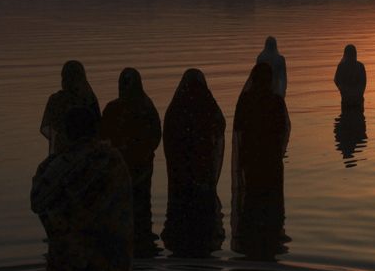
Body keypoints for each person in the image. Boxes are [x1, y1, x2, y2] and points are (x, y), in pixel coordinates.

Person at [30, 105, 133, 271]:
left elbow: (38, 200)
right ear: (96, 129)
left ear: (67, 132)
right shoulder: (114, 158)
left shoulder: (62, 163)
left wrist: (51, 162)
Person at [161, 68, 226, 256]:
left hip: (180, 175)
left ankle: (180, 248)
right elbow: (221, 124)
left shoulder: (176, 106)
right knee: (203, 215)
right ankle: (203, 248)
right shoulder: (207, 104)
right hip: (202, 172)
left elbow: (166, 135)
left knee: (181, 214)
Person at [99, 67, 162, 255]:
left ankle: (124, 250)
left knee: (120, 210)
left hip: (118, 169)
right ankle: (143, 246)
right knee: (142, 208)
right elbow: (156, 136)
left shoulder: (112, 108)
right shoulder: (147, 106)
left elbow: (102, 138)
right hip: (142, 169)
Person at [231, 63, 291, 258]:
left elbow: (238, 126)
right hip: (271, 160)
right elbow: (284, 128)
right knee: (270, 202)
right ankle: (270, 241)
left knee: (252, 199)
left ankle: (251, 242)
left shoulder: (246, 100)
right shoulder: (276, 100)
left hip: (251, 160)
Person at [40, 60, 101, 155]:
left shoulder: (55, 100)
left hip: (61, 151)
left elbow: (52, 127)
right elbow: (97, 129)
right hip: (87, 152)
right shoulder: (89, 99)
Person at [334, 44, 367, 108]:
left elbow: (336, 80)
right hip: (358, 99)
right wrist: (360, 94)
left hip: (346, 99)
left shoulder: (341, 66)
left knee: (345, 116)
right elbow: (364, 83)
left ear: (345, 54)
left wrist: (343, 91)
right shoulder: (360, 66)